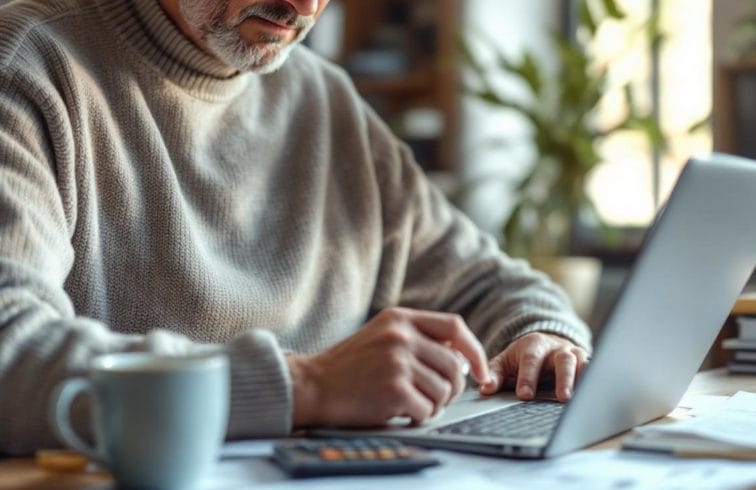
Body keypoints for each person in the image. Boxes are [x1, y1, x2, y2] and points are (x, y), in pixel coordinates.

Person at [0, 0, 591, 456]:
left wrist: (543, 337)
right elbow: (10, 351)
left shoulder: (325, 99)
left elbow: (491, 286)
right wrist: (308, 385)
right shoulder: (27, 63)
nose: (305, 6)